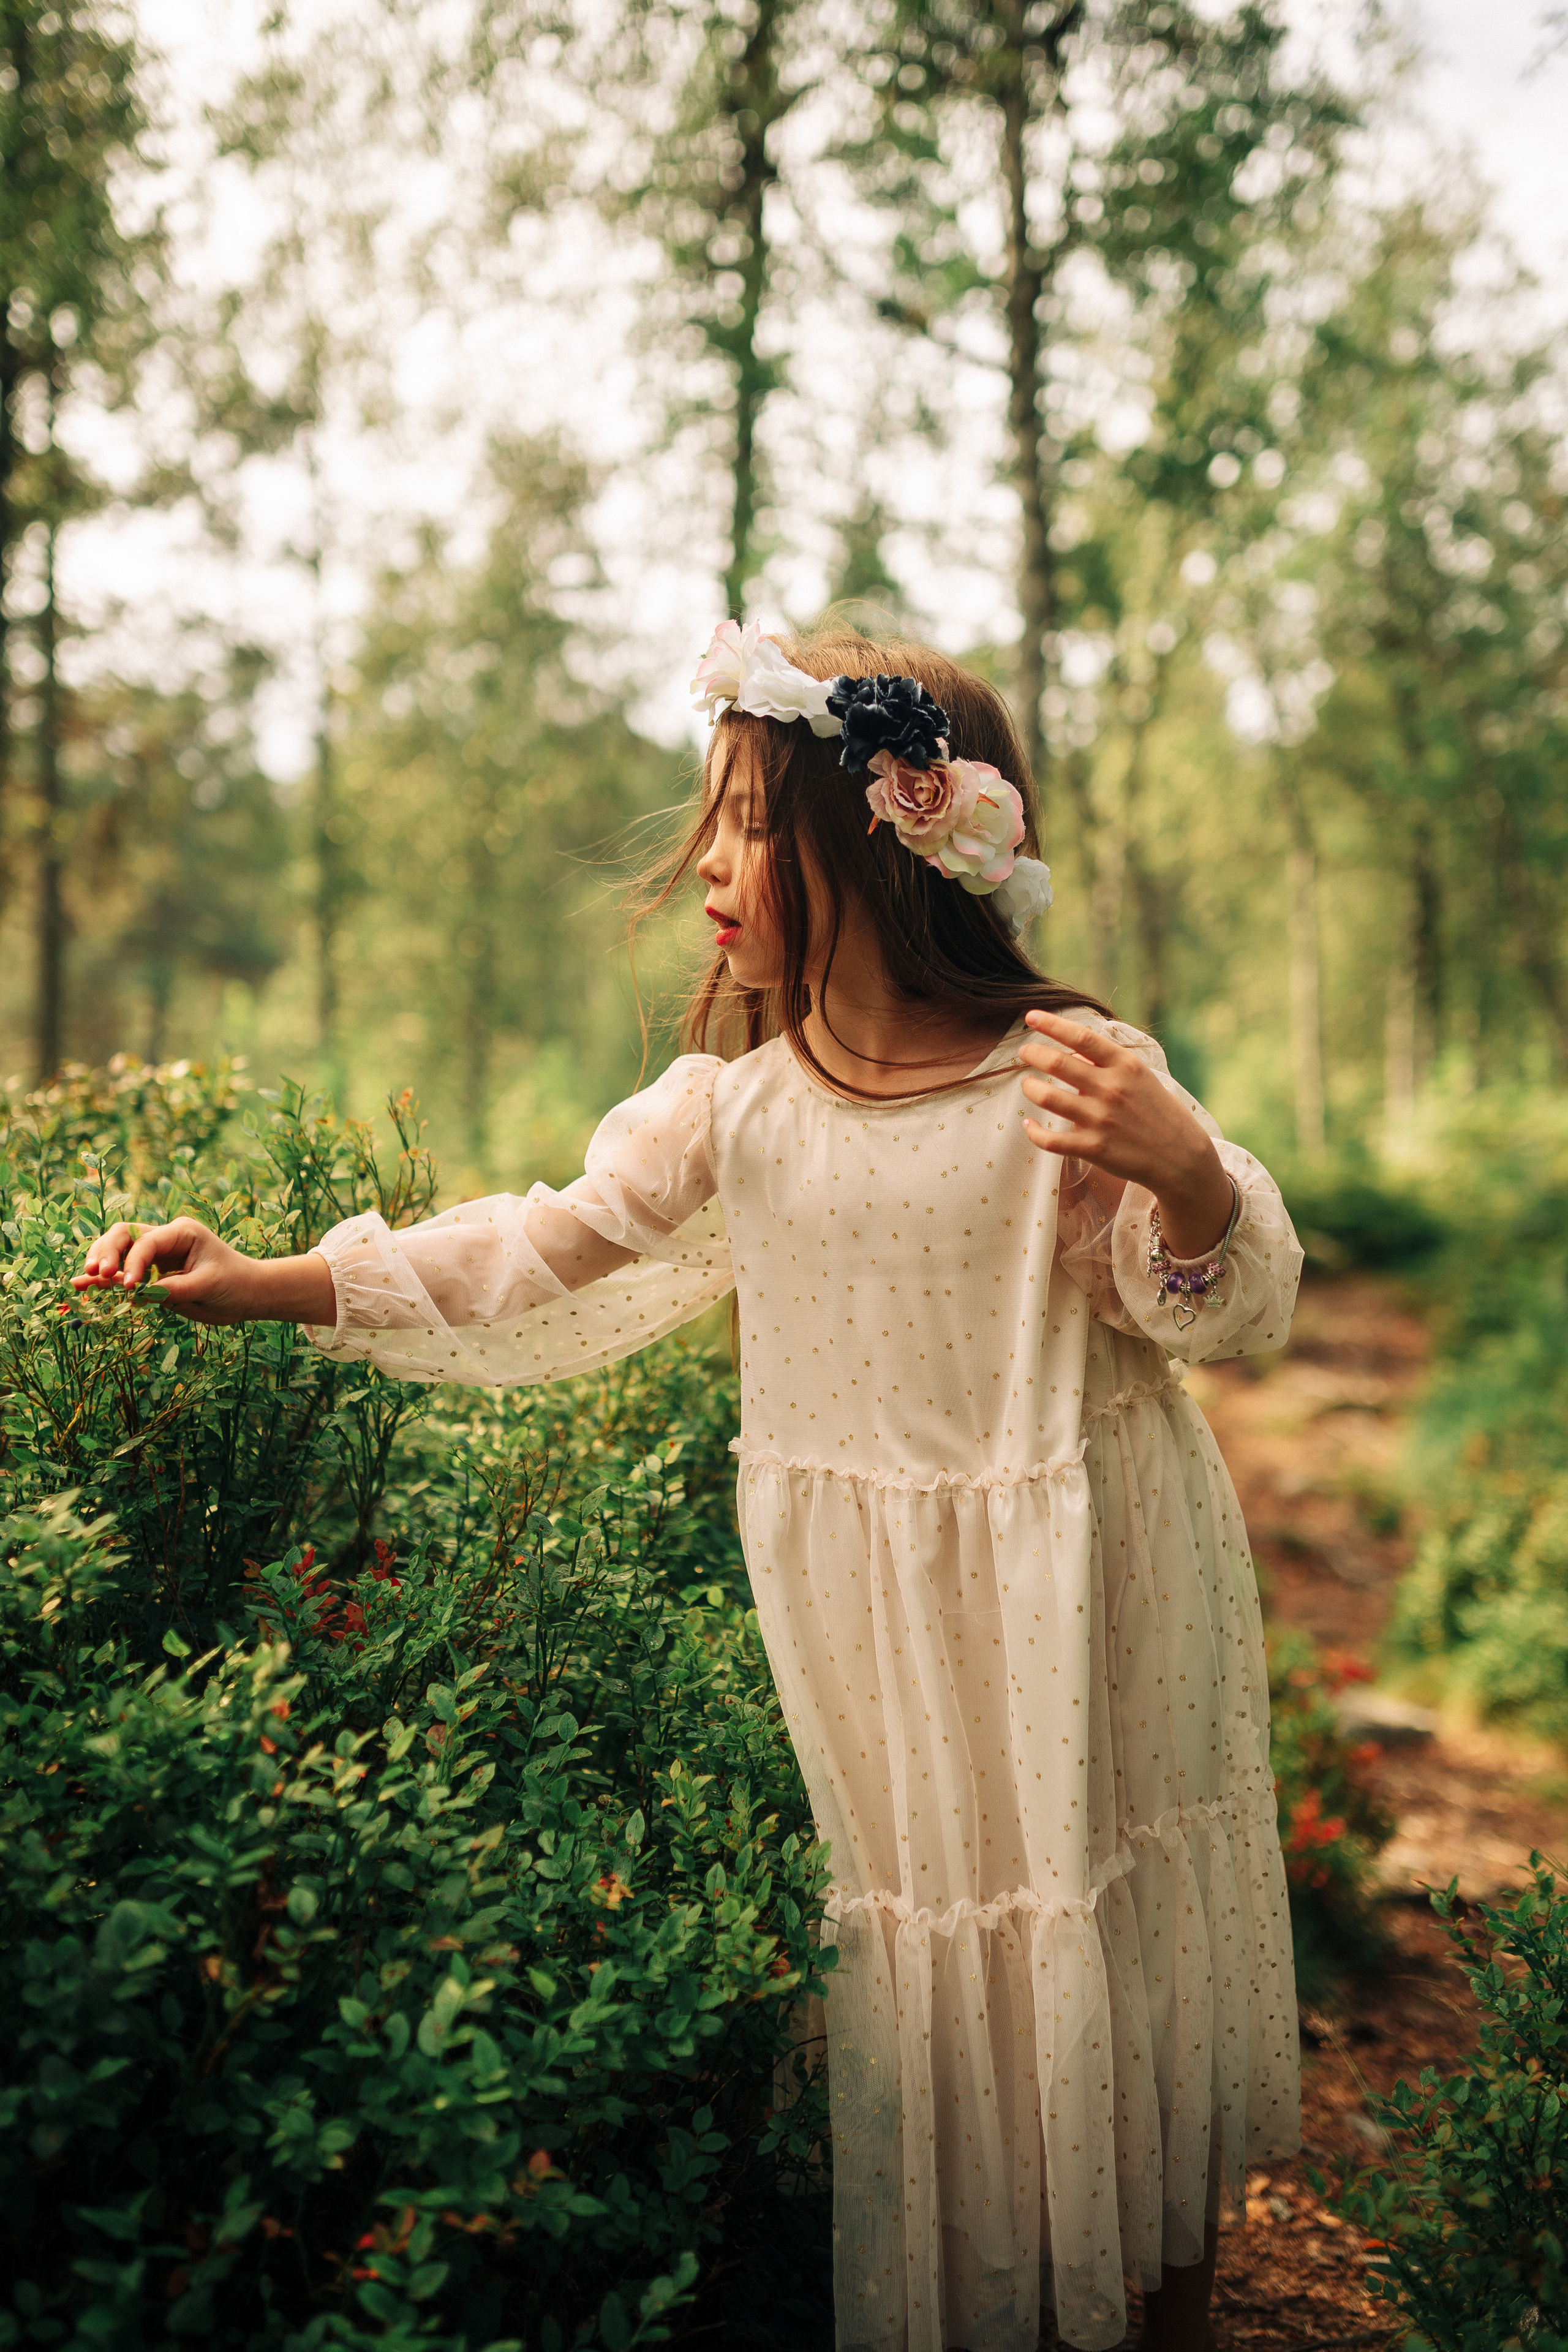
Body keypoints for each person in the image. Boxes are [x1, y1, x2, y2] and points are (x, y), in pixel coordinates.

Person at [76, 624, 1303, 2352]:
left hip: (1086, 1592)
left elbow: (1223, 1308)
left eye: (744, 822)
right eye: (709, 823)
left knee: (1104, 1918)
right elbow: (529, 1251)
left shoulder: (1060, 1080)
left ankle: (1165, 2310)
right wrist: (269, 1273)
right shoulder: (737, 1117)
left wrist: (1183, 1175)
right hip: (877, 1630)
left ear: (886, 830)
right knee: (943, 1954)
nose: (708, 868)